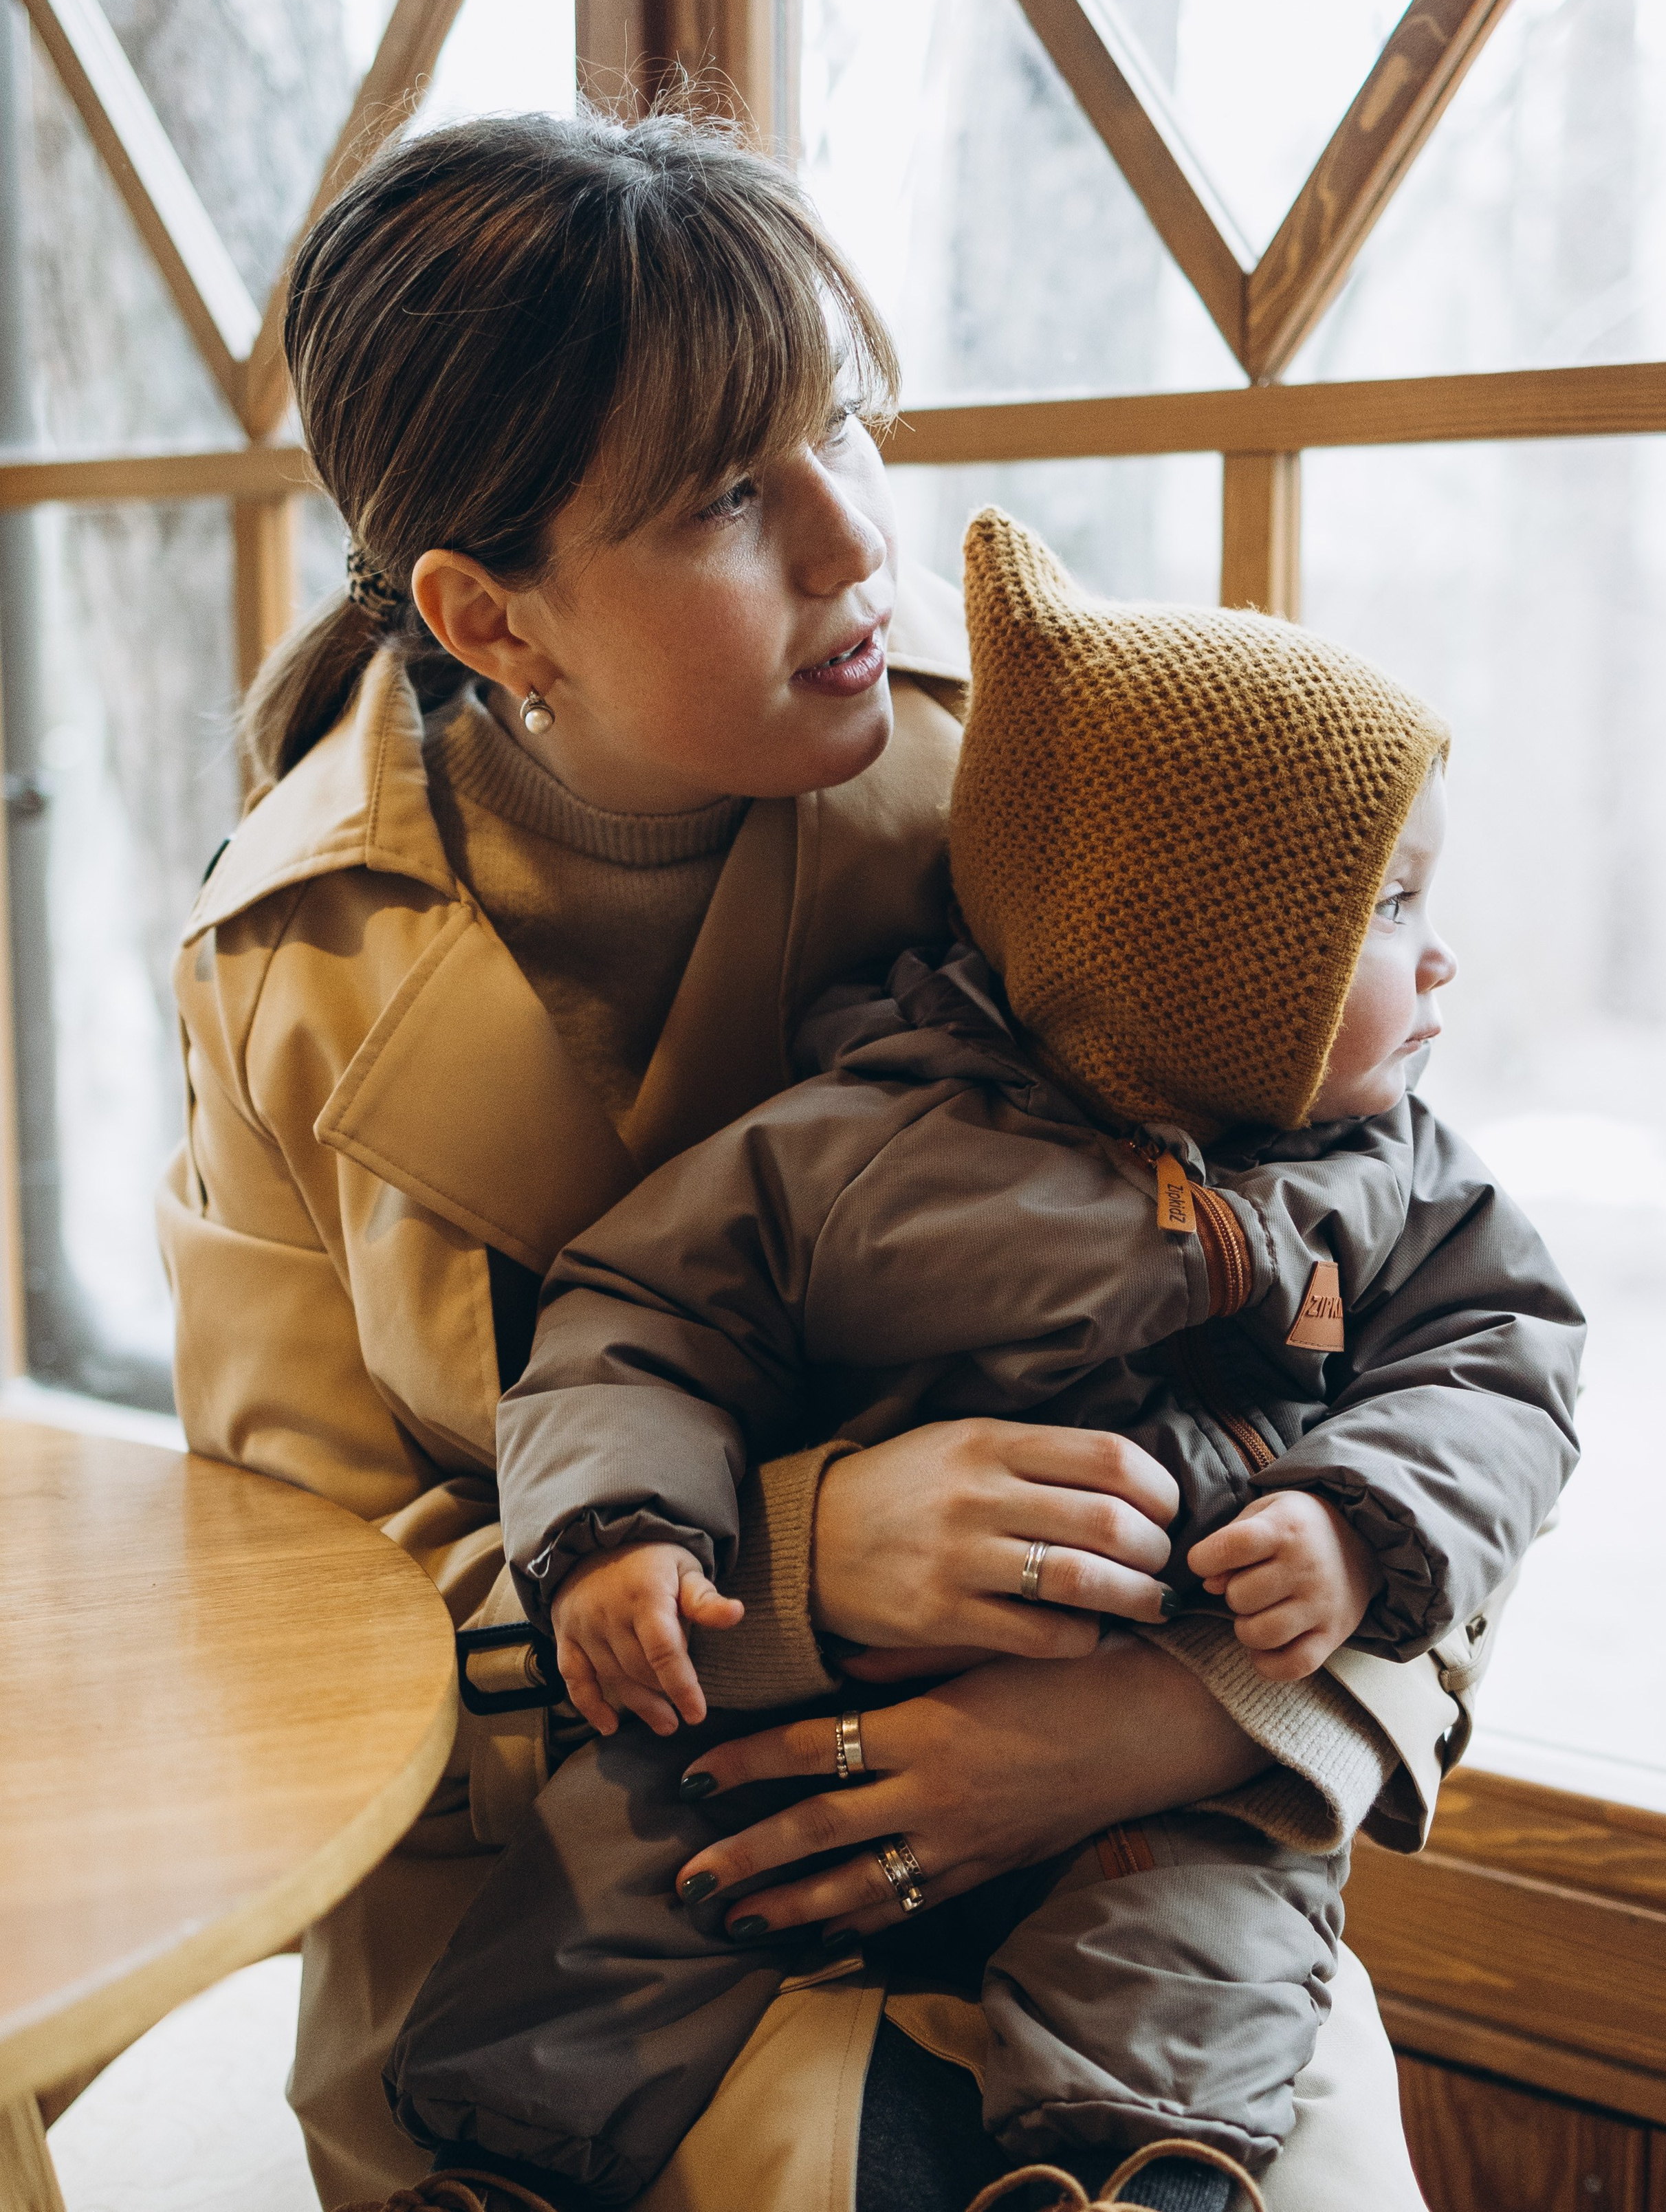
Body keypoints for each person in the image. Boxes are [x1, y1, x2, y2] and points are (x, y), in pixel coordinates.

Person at [161, 104, 1491, 2212]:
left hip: (1142, 1853)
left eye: (845, 428)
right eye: (721, 498)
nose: (855, 540)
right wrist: (791, 1577)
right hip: (569, 1949)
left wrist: (1154, 1721)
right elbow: (294, 1619)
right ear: (489, 618)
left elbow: (1444, 1334)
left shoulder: (1053, 795)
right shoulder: (286, 964)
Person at [377, 512, 1583, 2212]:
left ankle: (1135, 2177)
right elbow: (633, 1321)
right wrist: (624, 1533)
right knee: (609, 1886)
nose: (1441, 957)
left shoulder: (1392, 1180)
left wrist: (1360, 1522)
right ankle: (498, 2171)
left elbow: (1500, 1367)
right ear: (1205, 974)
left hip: (1183, 1731)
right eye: (1387, 913)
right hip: (807, 1707)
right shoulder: (857, 1144)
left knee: (1196, 1935)